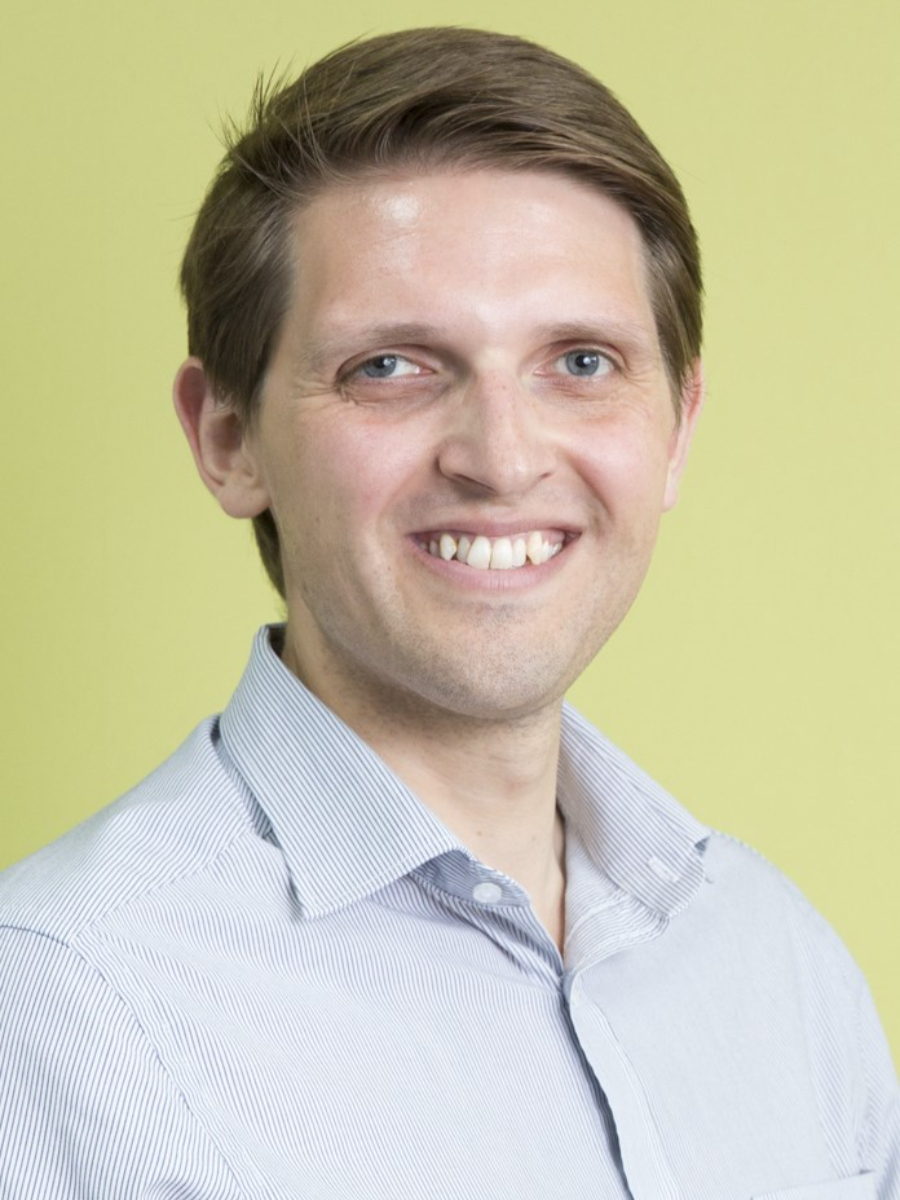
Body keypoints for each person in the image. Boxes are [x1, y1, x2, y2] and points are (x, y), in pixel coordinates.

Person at [0, 26, 896, 1199]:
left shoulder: (778, 964)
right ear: (229, 440)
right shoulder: (62, 1012)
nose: (502, 456)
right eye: (390, 367)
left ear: (676, 429)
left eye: (580, 362)